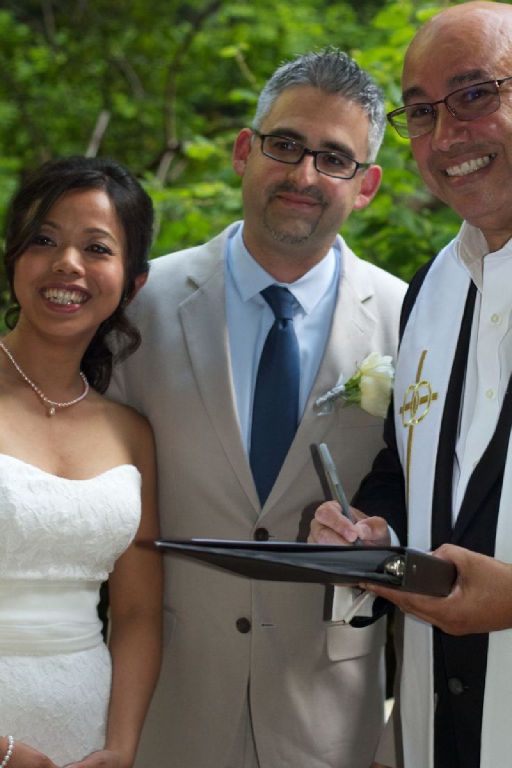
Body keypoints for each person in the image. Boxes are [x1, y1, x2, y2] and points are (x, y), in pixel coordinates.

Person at [109, 49, 406, 768]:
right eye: (286, 145)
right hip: (165, 709)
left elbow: (421, 492)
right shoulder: (137, 309)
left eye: (334, 159)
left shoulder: (409, 319)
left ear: (365, 186)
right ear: (246, 152)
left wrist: (382, 529)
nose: (305, 175)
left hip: (330, 716)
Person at [309, 3, 512, 767]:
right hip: (436, 728)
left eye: (474, 95)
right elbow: (407, 467)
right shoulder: (429, 289)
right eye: (420, 112)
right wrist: (377, 535)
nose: (446, 136)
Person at [0, 156, 163, 768]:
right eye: (44, 240)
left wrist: (120, 747)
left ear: (132, 281)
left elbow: (139, 612)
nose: (67, 264)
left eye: (96, 247)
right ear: (14, 258)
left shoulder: (130, 433)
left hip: (85, 738)